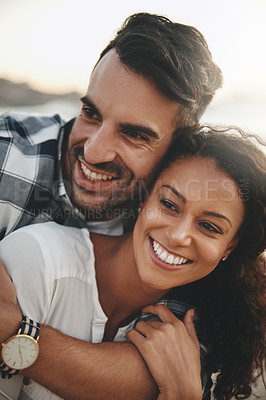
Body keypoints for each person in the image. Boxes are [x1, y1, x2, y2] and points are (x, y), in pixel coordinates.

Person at [0, 12, 223, 399]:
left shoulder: (174, 221)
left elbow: (155, 374)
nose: (93, 150)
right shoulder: (8, 156)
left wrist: (13, 331)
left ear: (179, 149)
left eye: (134, 134)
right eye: (91, 113)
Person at [0, 126, 265, 400]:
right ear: (144, 197)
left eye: (209, 226)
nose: (177, 236)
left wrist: (185, 395)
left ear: (229, 247)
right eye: (169, 204)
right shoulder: (37, 260)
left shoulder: (200, 327)